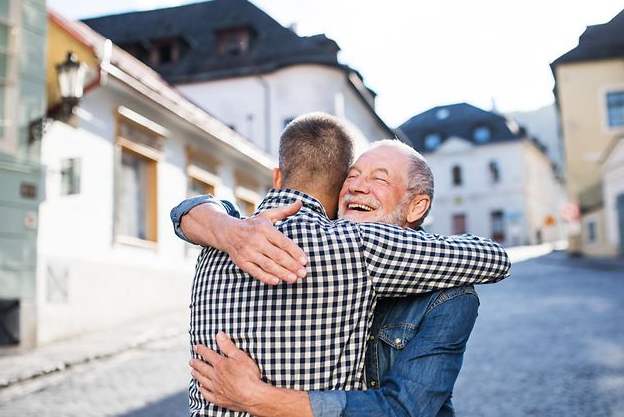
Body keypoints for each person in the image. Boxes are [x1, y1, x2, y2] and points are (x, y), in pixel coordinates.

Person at [172, 113, 510, 416]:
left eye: (379, 178)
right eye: (352, 175)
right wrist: (227, 230)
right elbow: (191, 210)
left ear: (416, 206)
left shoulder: (448, 295)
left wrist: (257, 397)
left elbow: (404, 410)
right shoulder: (248, 236)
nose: (359, 186)